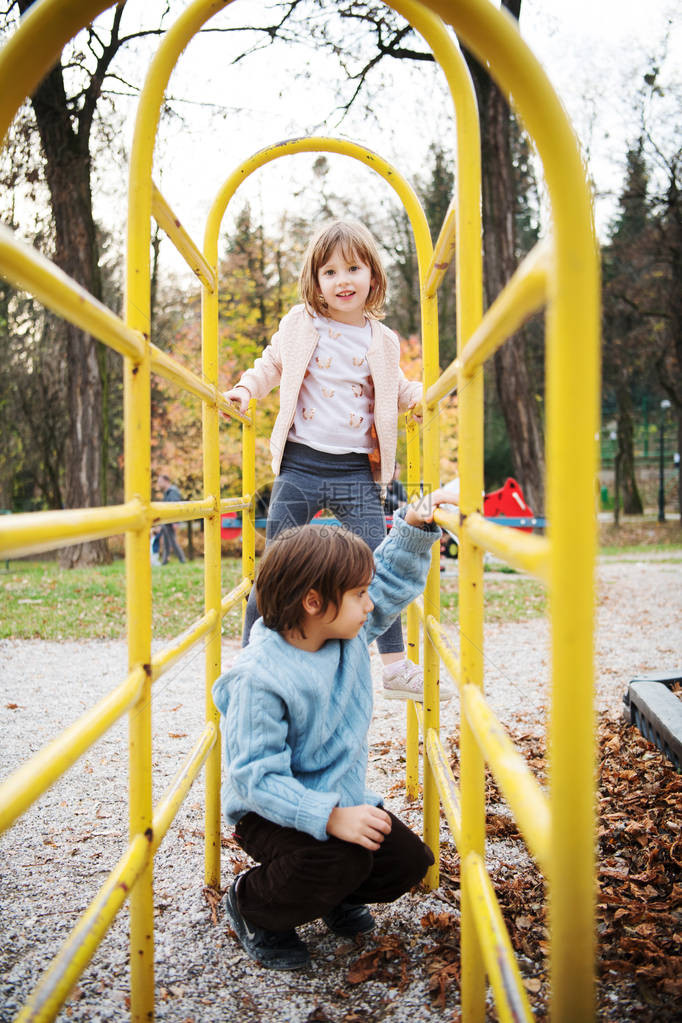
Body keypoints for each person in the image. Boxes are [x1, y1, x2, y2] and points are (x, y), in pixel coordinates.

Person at [212, 490, 452, 971]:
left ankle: (330, 893)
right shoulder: (259, 678)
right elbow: (257, 780)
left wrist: (416, 524)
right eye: (358, 595)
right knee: (341, 859)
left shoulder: (345, 631)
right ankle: (255, 905)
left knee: (407, 862)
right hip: (269, 812)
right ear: (314, 602)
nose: (370, 605)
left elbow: (387, 581)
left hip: (336, 797)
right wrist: (330, 818)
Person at [224, 218, 438, 702]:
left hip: (354, 471)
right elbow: (270, 365)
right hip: (300, 465)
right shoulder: (301, 324)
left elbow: (397, 391)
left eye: (353, 269)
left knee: (373, 562)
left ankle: (395, 665)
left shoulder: (382, 341)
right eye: (330, 272)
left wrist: (425, 396)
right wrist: (243, 390)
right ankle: (250, 661)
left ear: (372, 277)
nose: (343, 280)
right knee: (275, 562)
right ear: (315, 282)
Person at [157, 472, 186, 564]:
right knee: (166, 542)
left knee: (172, 541)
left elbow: (175, 507)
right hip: (167, 520)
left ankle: (182, 559)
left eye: (160, 482)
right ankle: (165, 561)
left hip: (171, 521)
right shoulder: (167, 492)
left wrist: (175, 522)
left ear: (166, 481)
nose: (158, 484)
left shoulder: (172, 492)